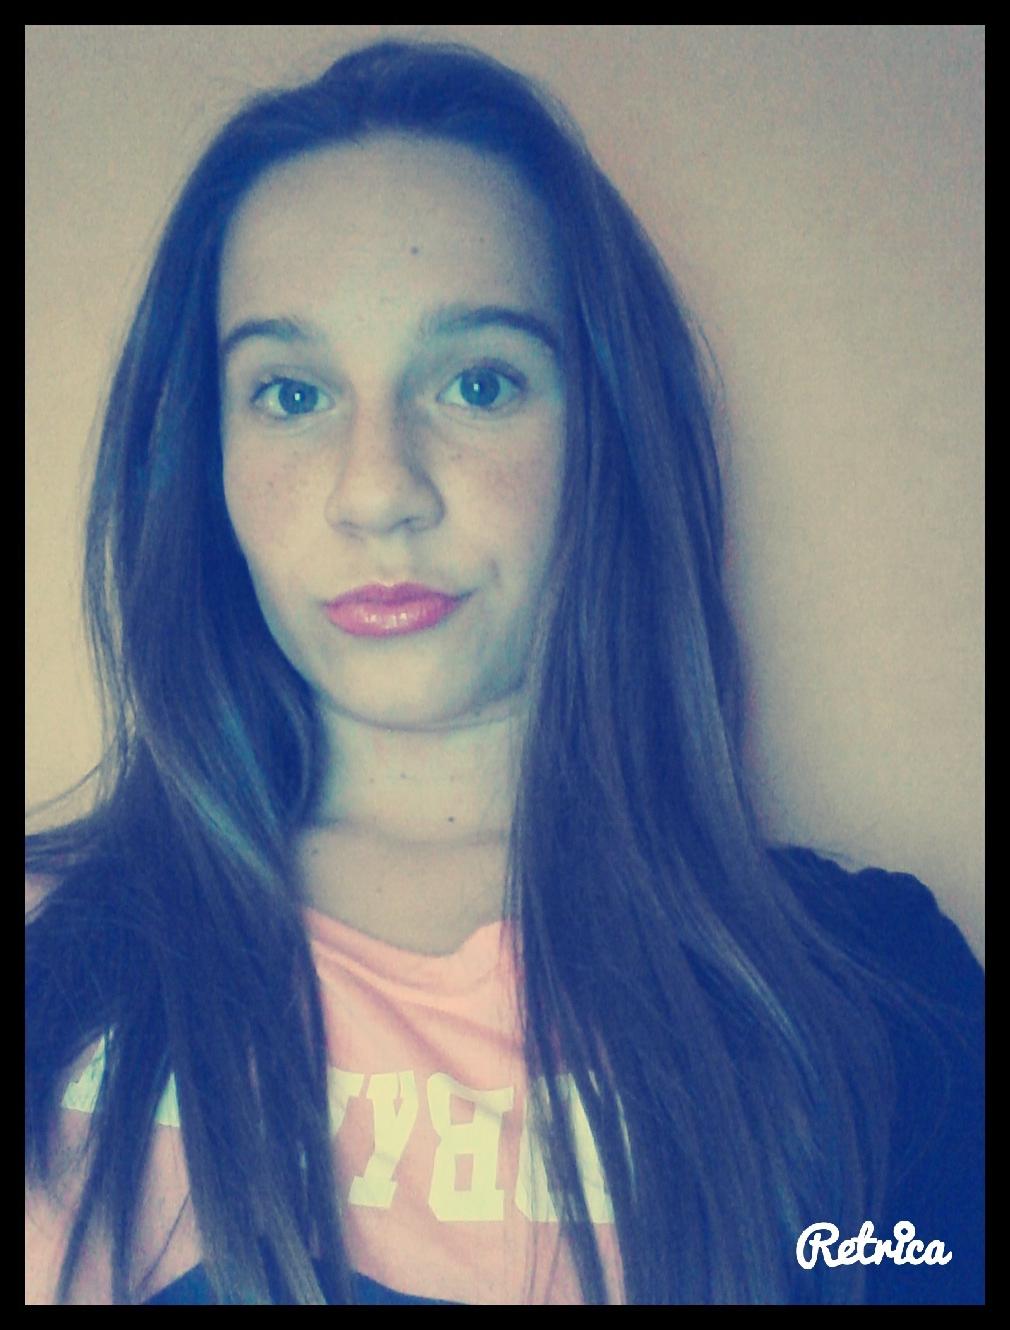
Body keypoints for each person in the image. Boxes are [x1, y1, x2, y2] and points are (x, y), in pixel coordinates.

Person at [25, 38, 983, 1305]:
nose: (378, 489)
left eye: (478, 382)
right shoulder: (43, 952)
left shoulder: (879, 1010)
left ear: (605, 435)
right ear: (202, 457)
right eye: (291, 393)